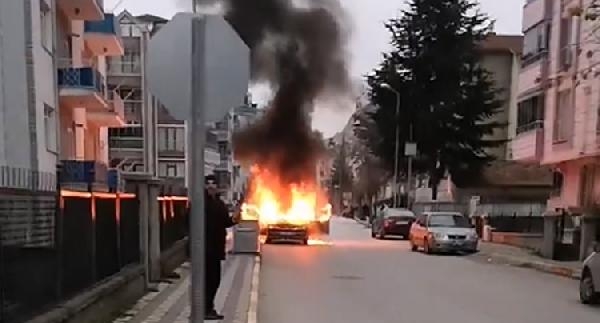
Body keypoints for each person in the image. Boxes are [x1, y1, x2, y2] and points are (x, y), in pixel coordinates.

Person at [204, 175, 239, 320]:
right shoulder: (200, 202)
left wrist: (235, 218)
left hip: (216, 248)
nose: (211, 187)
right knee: (206, 280)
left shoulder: (219, 204)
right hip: (204, 248)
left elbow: (226, 222)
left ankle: (208, 307)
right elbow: (189, 222)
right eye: (208, 184)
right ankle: (204, 309)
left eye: (214, 184)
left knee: (214, 280)